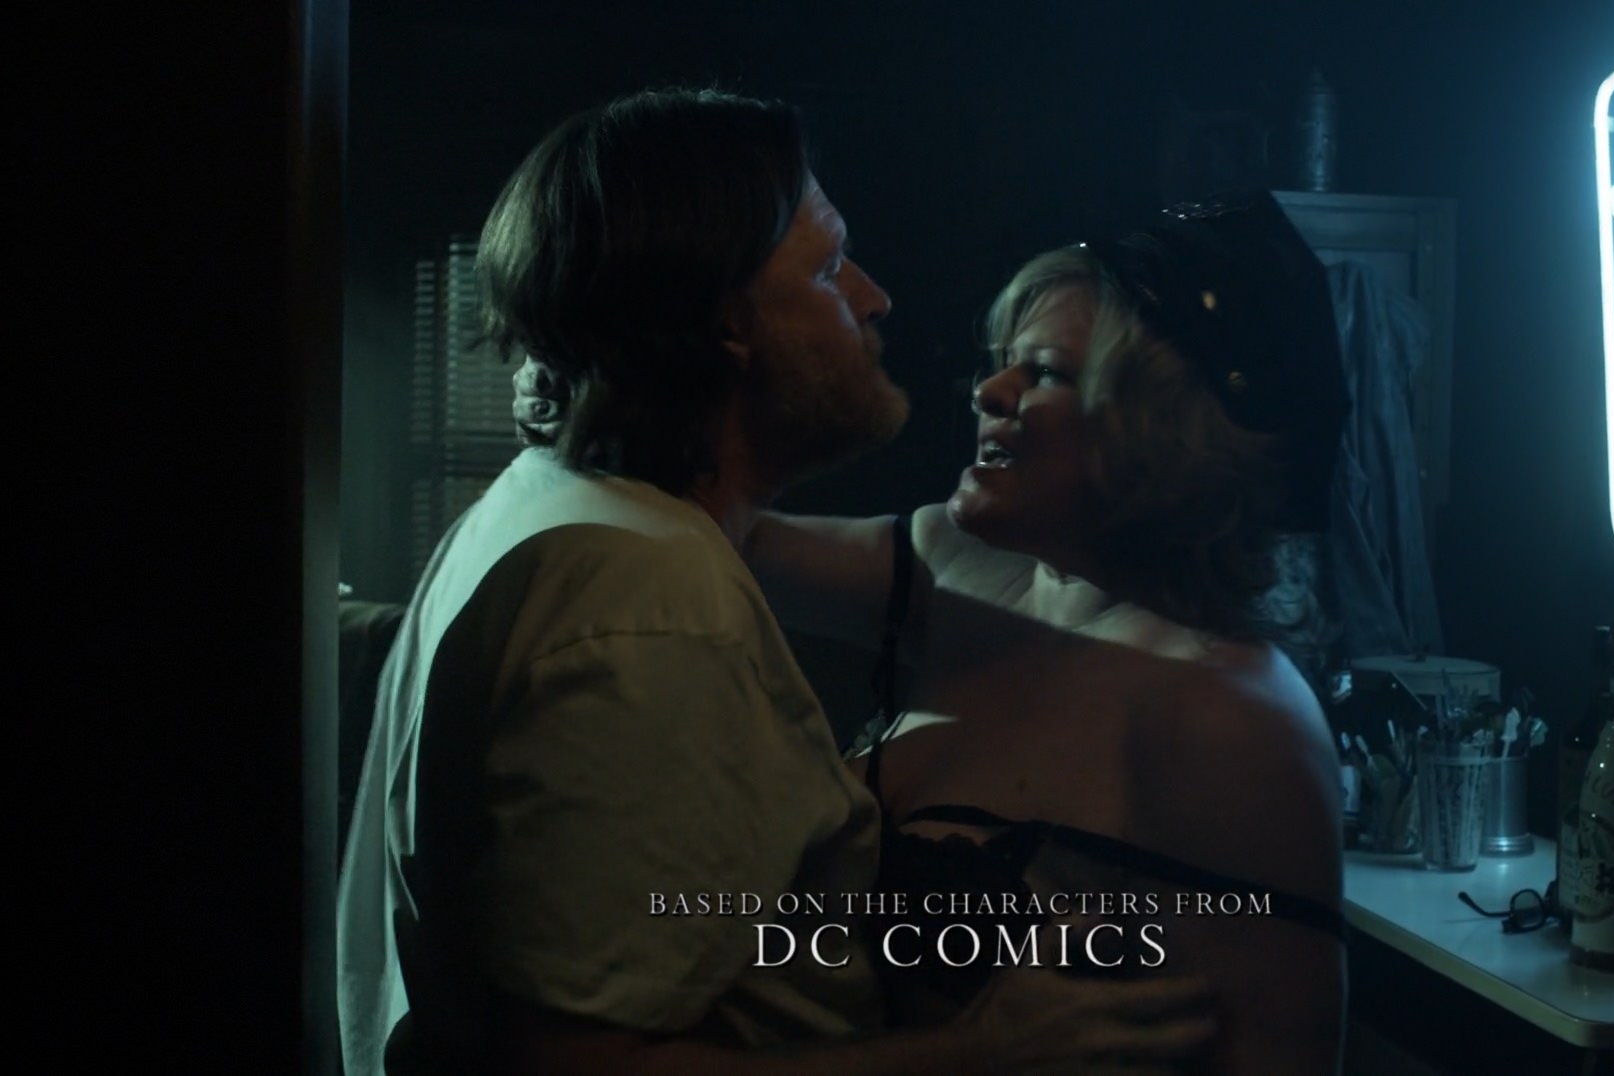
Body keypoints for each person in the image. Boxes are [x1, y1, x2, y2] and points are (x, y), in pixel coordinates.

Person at [336, 88, 1216, 1076]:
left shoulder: (549, 500)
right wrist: (979, 1056)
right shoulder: (651, 601)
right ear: (728, 322)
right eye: (830, 268)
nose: (874, 297)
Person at [737, 190, 1353, 1074]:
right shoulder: (956, 568)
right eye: (1001, 364)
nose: (989, 392)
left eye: (1046, 374)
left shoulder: (1229, 718)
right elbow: (715, 533)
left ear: (1163, 432)